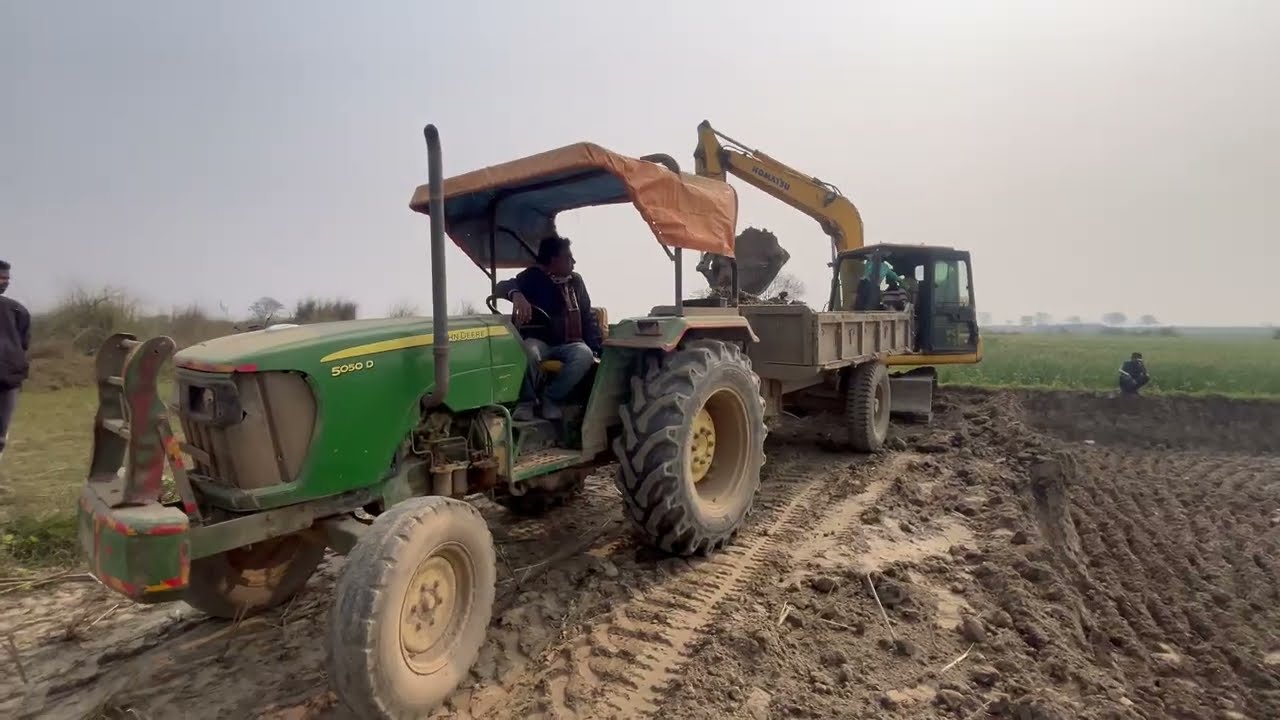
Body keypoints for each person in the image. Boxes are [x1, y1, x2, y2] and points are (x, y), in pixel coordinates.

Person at [494, 235, 602, 420]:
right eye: (568, 257)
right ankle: (526, 402)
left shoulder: (575, 282)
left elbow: (586, 316)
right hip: (541, 340)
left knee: (584, 354)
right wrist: (517, 295)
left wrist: (597, 349)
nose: (573, 262)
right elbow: (502, 286)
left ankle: (551, 398)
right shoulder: (533, 277)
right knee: (528, 351)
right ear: (554, 260)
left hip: (569, 344)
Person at [0, 260, 31, 463]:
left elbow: (23, 342)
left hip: (8, 379)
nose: (5, 282)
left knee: (0, 432)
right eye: (1, 277)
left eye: (7, 278)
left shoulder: (17, 310)